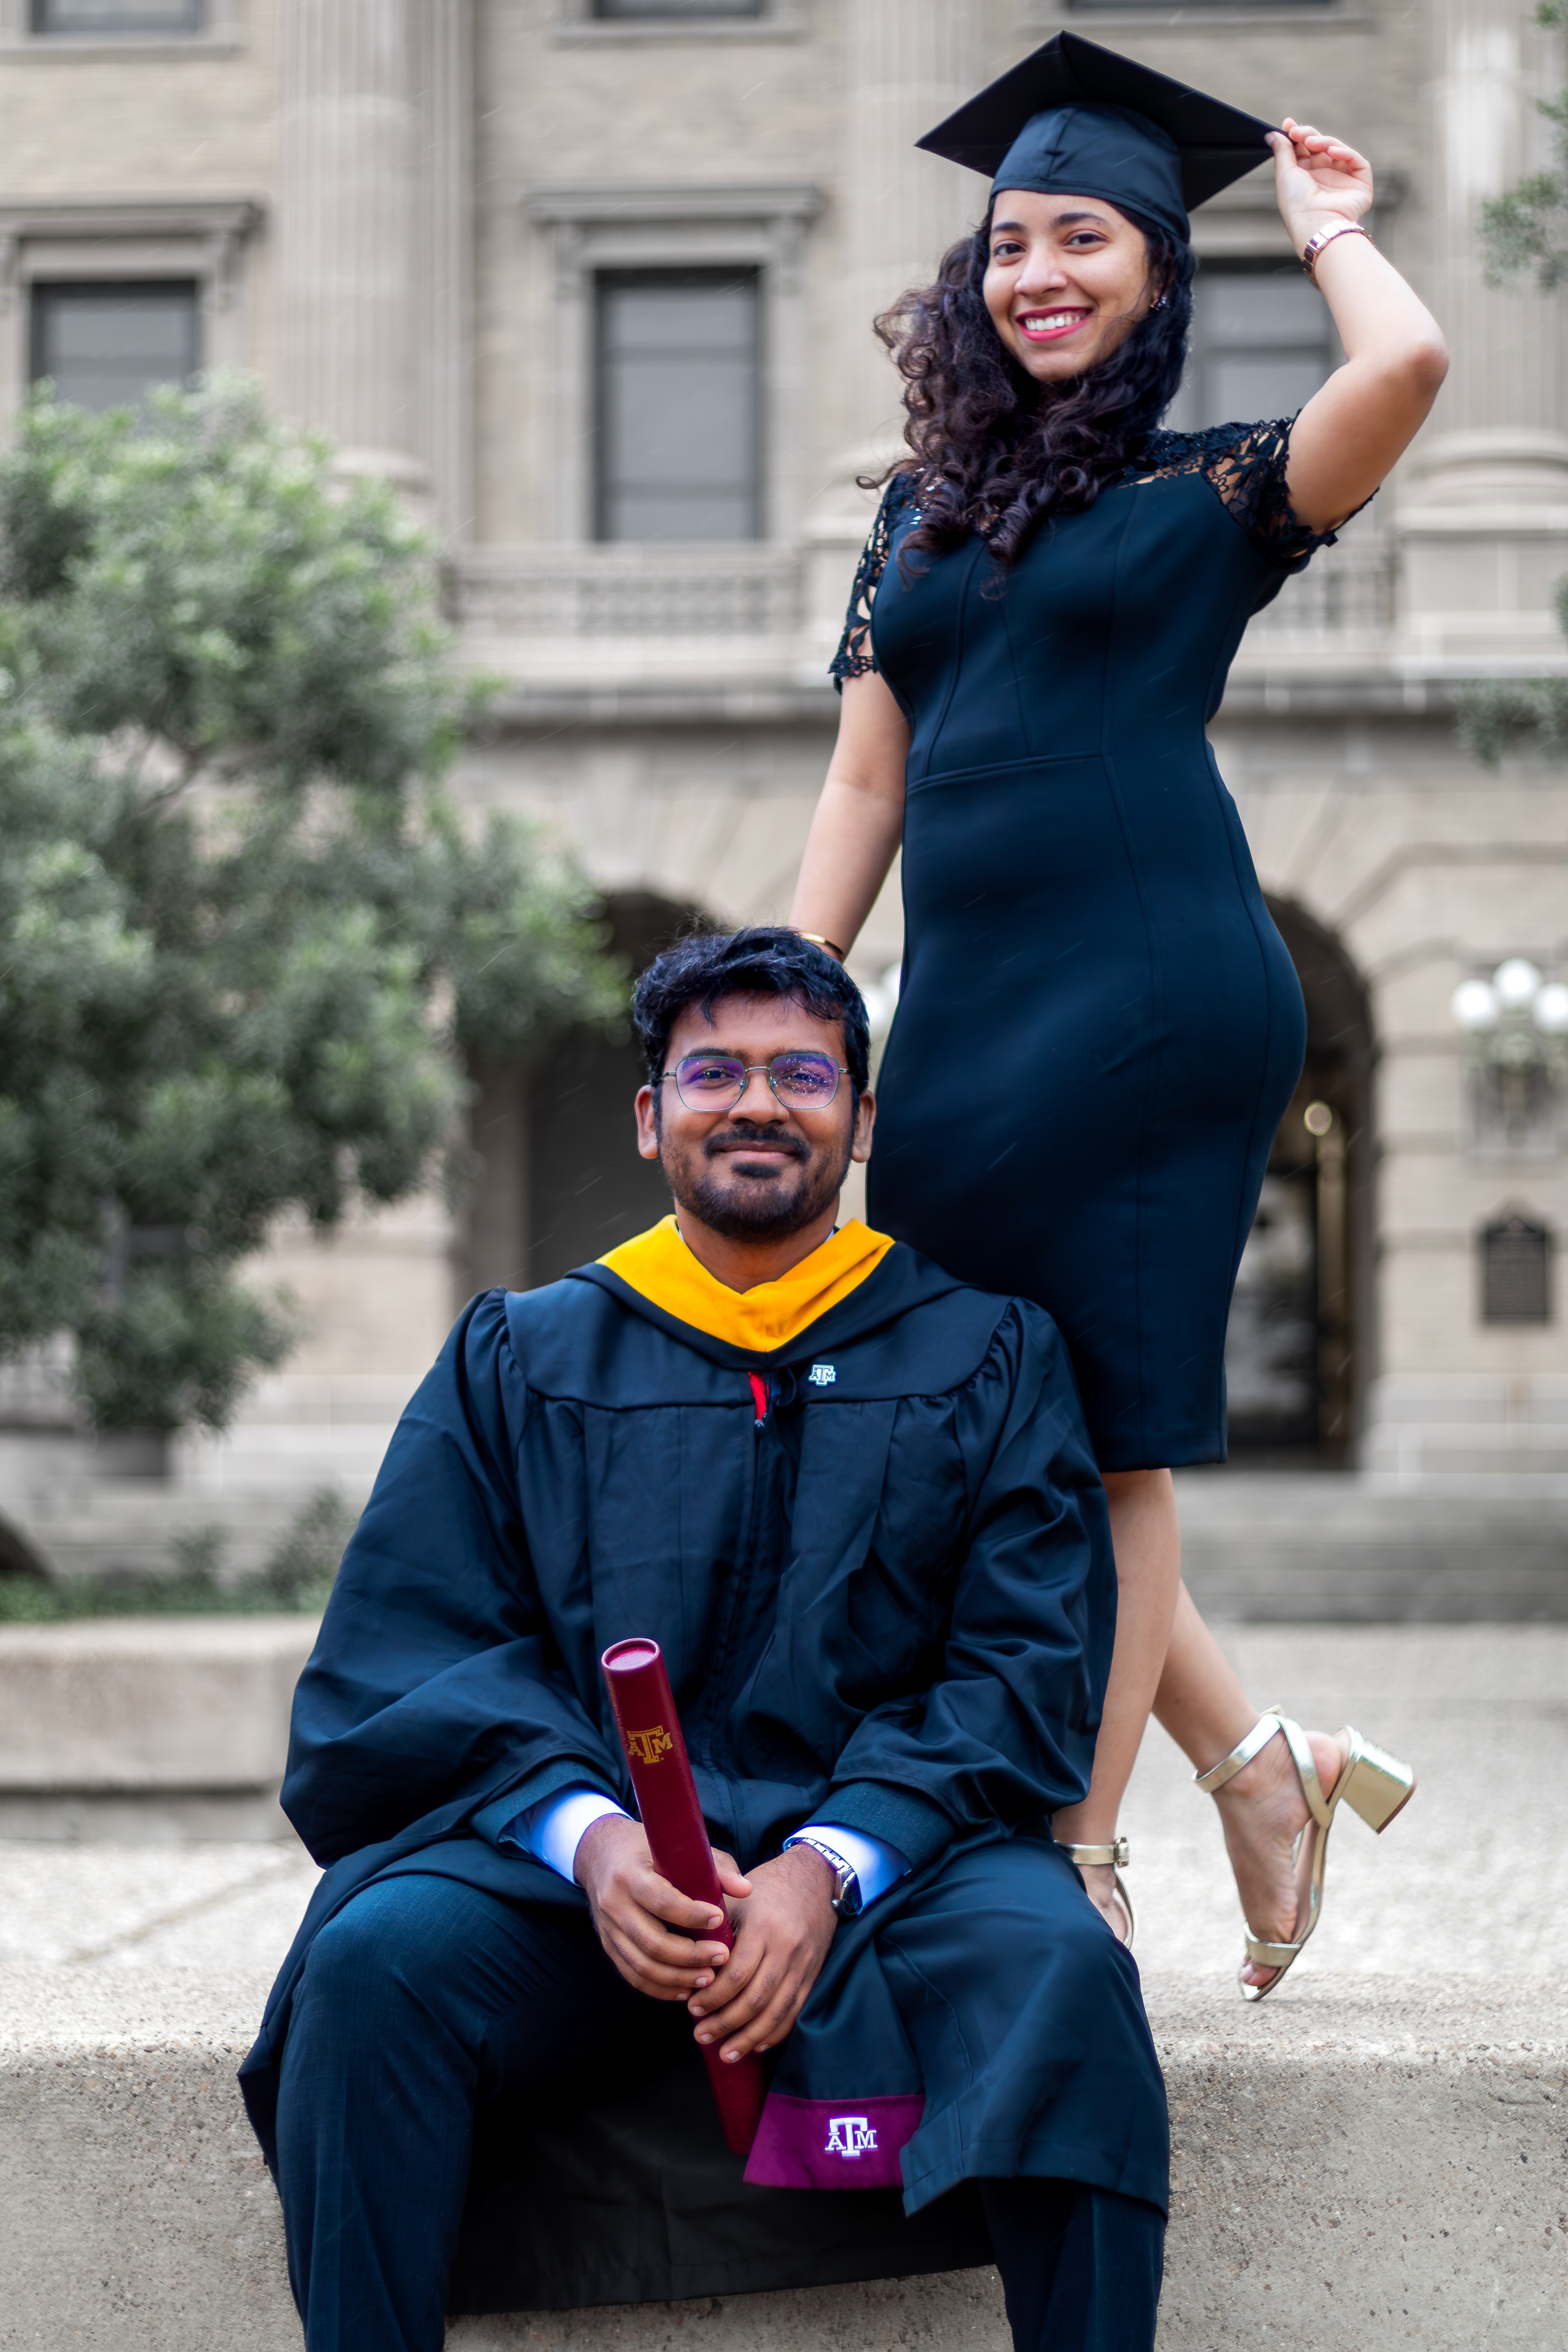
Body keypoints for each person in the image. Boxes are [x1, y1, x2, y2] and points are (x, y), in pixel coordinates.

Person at [240, 927, 1169, 2352]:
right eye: (711, 1071)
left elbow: (1021, 1669)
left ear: (863, 1122)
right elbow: (414, 1650)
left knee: (1067, 1974)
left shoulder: (987, 1352)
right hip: (567, 1889)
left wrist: (825, 1868)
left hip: (892, 1868)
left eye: (803, 1073)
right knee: (374, 1970)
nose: (755, 1102)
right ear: (650, 1115)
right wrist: (593, 1845)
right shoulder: (523, 1356)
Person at [789, 32, 1426, 1994]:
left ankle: (1080, 1850)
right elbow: (865, 786)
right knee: (1018, 1431)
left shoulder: (1211, 494)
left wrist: (1328, 227)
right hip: (972, 1013)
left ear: (1160, 274)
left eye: (1088, 239)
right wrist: (797, 1008)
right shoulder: (916, 515)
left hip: (1155, 1002)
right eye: (1010, 241)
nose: (1039, 271)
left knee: (1113, 1442)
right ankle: (1262, 1765)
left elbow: (1403, 372)